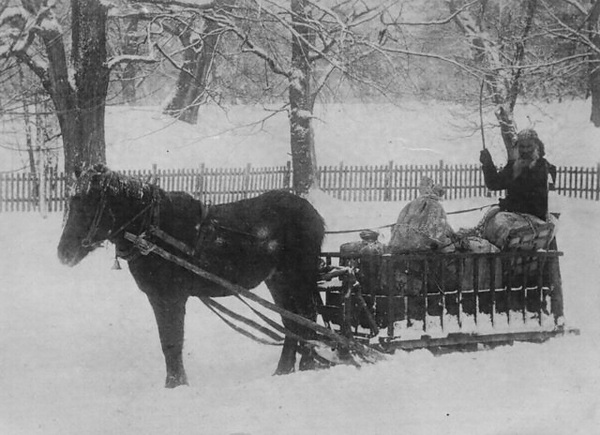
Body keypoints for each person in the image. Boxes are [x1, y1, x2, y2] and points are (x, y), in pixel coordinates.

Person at [479, 128, 556, 221]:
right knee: (489, 217)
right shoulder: (514, 166)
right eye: (522, 147)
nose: (525, 150)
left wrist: (508, 204)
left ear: (537, 147)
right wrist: (487, 163)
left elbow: (537, 201)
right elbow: (494, 183)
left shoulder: (543, 167)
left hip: (535, 218)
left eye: (529, 146)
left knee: (500, 223)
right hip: (512, 214)